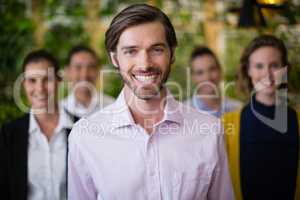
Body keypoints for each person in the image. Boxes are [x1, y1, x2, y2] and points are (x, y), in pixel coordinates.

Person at [68, 3, 234, 200]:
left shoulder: (210, 131)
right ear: (114, 58)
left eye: (156, 49)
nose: (145, 64)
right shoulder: (84, 137)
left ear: (172, 53)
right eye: (131, 51)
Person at [223, 35, 300, 200]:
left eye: (274, 65)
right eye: (259, 66)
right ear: (248, 70)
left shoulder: (299, 122)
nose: (268, 73)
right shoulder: (227, 125)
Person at [0, 50, 79, 200]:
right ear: (24, 85)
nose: (40, 88)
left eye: (46, 79)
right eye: (32, 80)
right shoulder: (8, 134)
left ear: (58, 81)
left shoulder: (81, 128)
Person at [185, 46, 241, 118]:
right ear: (193, 77)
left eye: (212, 69)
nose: (207, 77)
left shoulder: (237, 108)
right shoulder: (185, 112)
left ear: (220, 70)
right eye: (200, 72)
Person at [61, 45, 114, 118]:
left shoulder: (112, 107)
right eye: (78, 67)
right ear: (67, 71)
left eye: (91, 67)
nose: (84, 75)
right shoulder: (60, 111)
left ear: (98, 71)